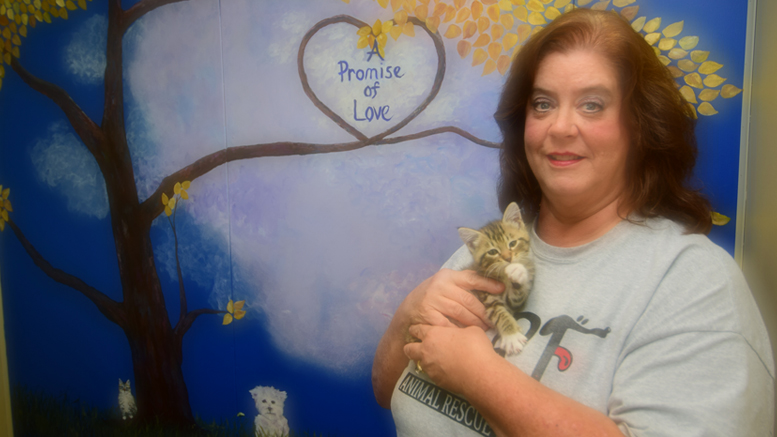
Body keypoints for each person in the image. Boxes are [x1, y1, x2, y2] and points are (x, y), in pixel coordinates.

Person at [372, 7, 775, 437]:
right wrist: (408, 313)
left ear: (639, 125)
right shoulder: (494, 244)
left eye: (592, 105)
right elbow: (385, 389)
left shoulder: (694, 282)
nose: (560, 127)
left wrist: (478, 376)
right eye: (543, 104)